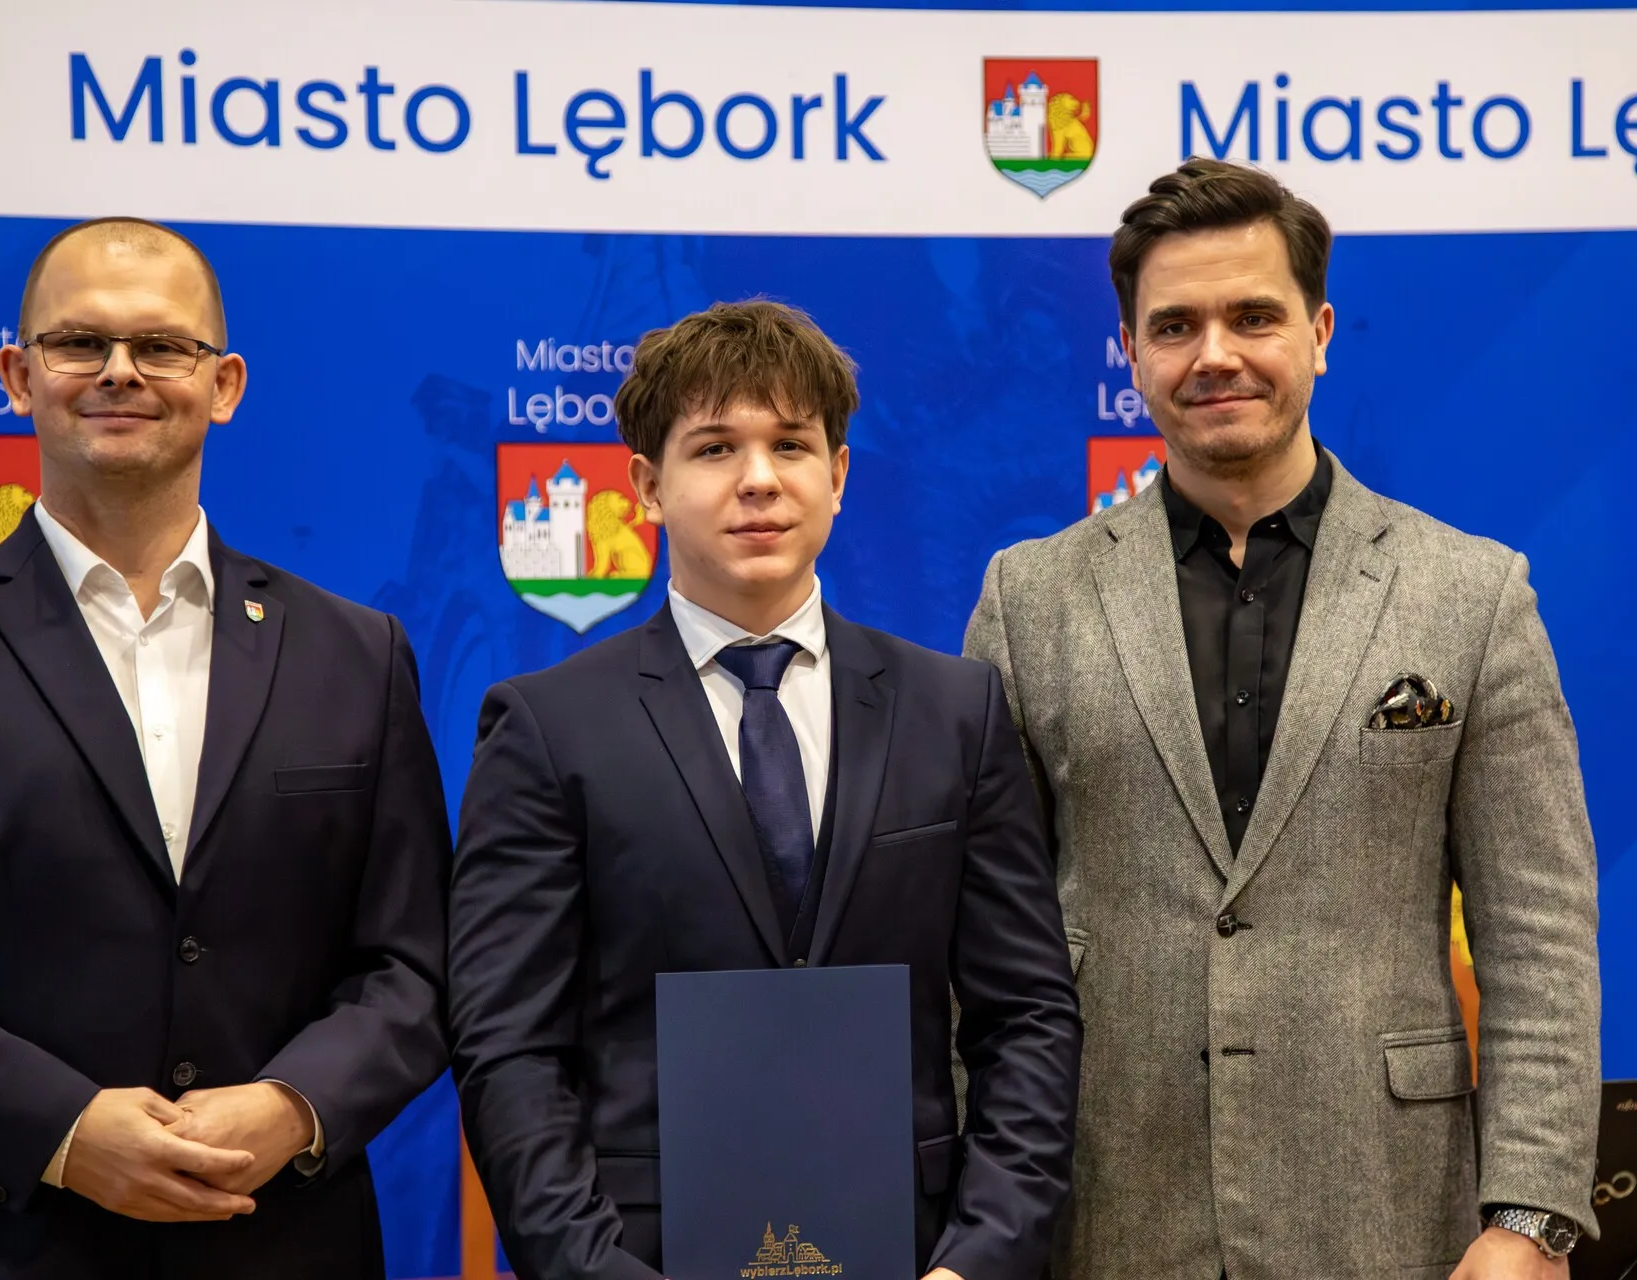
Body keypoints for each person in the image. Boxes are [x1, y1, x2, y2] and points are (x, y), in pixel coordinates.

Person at [0, 217, 451, 1278]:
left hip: (282, 1241)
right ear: (18, 376)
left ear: (224, 384)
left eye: (162, 345)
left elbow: (415, 962)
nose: (120, 371)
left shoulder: (358, 652)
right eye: (81, 342)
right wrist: (63, 1128)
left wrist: (295, 1103)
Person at [963, 158, 1601, 1279]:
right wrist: (979, 1220)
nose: (1215, 353)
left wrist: (1532, 1214)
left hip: (1389, 1211)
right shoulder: (1029, 599)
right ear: (1131, 353)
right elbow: (981, 944)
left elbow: (1539, 932)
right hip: (1105, 1212)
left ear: (1319, 332)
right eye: (1175, 325)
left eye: (1253, 316)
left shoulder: (1472, 593)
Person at [449, 299, 1080, 1280]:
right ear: (647, 486)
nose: (758, 478)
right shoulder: (548, 728)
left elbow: (1026, 1014)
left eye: (791, 444)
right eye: (715, 448)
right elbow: (509, 1045)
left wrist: (979, 1259)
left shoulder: (956, 710)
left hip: (920, 1257)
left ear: (839, 474)